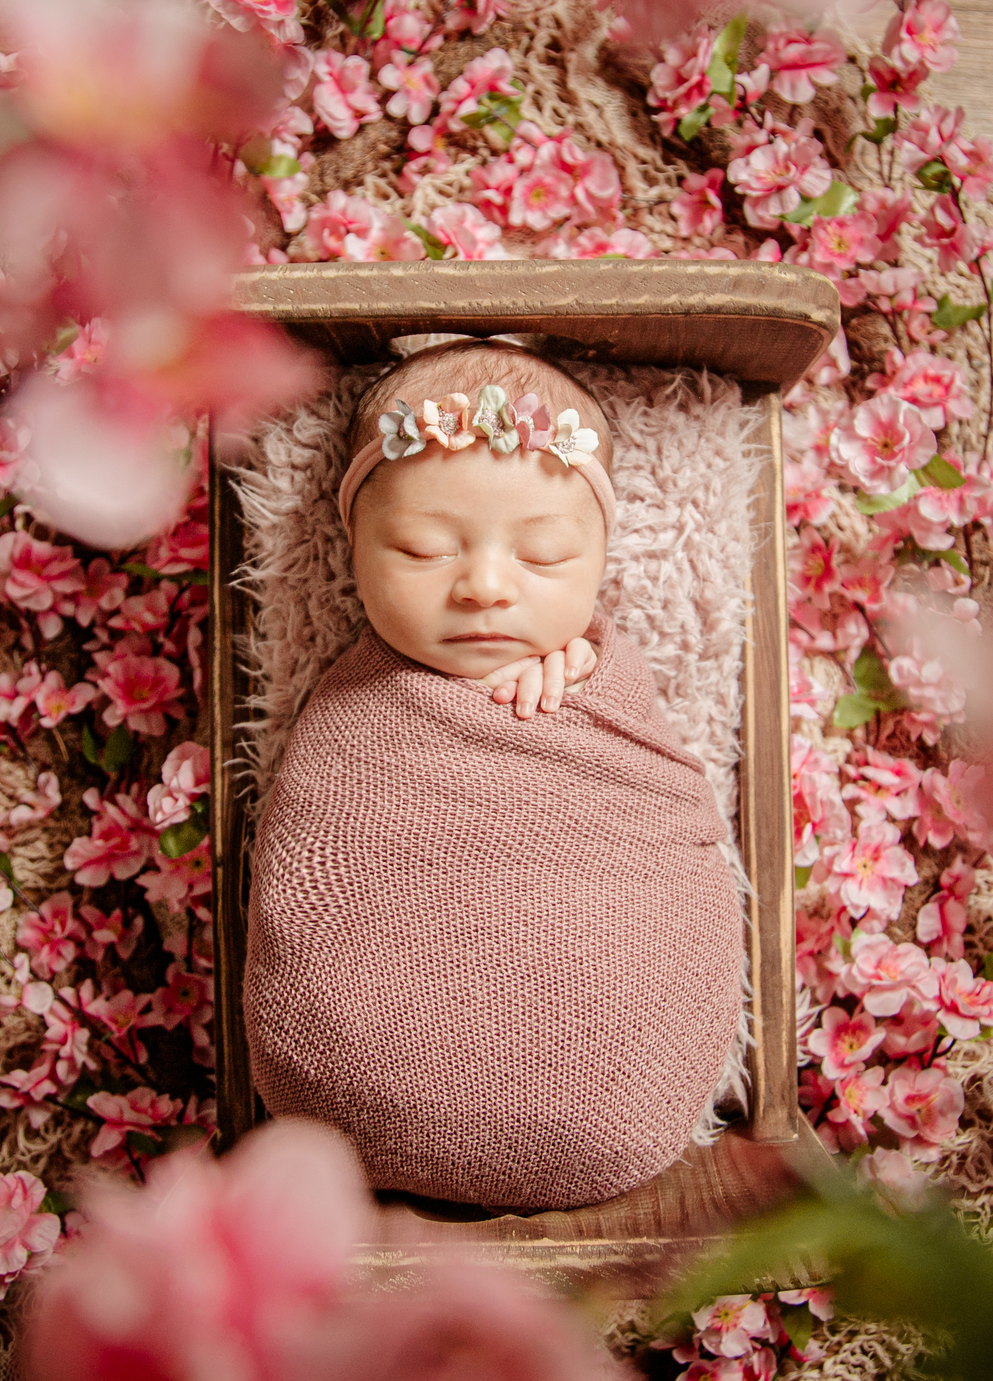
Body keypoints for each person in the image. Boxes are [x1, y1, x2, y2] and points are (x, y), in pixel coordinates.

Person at [244, 340, 742, 1212]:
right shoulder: (357, 717)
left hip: (614, 1109)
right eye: (422, 549)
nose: (483, 587)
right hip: (350, 1099)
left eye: (543, 555)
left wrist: (591, 680)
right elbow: (319, 860)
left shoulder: (603, 688)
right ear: (353, 545)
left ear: (601, 557)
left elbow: (655, 823)